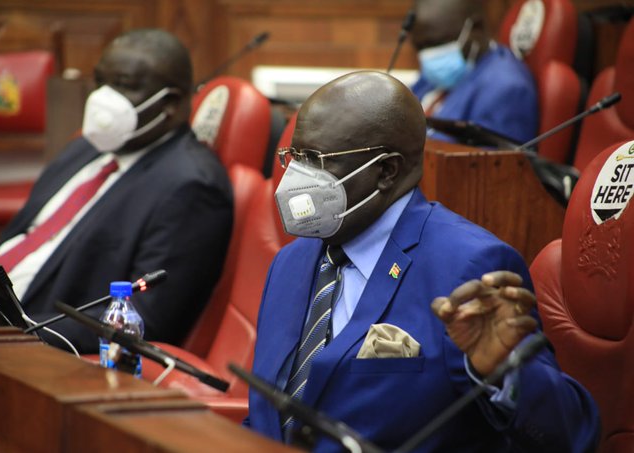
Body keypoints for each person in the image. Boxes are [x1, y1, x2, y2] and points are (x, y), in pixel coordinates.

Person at [245, 71, 599, 452]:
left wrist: (504, 375)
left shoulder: (469, 265)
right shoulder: (289, 263)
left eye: (316, 160)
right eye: (294, 157)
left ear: (387, 171)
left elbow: (571, 436)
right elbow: (265, 419)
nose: (298, 176)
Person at [0, 29, 233, 354]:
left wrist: (20, 332)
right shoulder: (86, 149)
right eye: (101, 82)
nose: (103, 98)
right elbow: (20, 240)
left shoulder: (192, 187)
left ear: (169, 104)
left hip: (22, 342)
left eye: (124, 85)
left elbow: (144, 319)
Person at [410, 0, 539, 144]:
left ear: (477, 28)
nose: (429, 55)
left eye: (438, 43)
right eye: (420, 46)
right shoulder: (433, 77)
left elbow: (491, 164)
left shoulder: (506, 89)